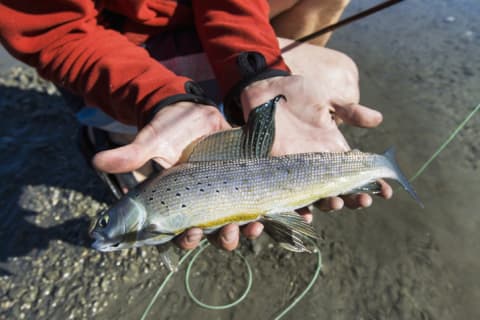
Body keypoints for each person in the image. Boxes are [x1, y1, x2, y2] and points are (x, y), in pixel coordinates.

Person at [0, 0, 392, 252]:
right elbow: (55, 32)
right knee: (334, 73)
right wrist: (160, 100)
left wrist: (256, 71)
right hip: (109, 49)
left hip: (189, 17)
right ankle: (121, 128)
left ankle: (236, 107)